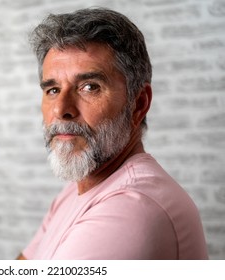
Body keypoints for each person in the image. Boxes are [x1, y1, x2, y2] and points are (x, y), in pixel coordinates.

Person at [17, 7, 208, 260]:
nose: (61, 109)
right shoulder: (78, 188)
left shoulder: (131, 209)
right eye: (52, 89)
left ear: (138, 104)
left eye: (89, 87)